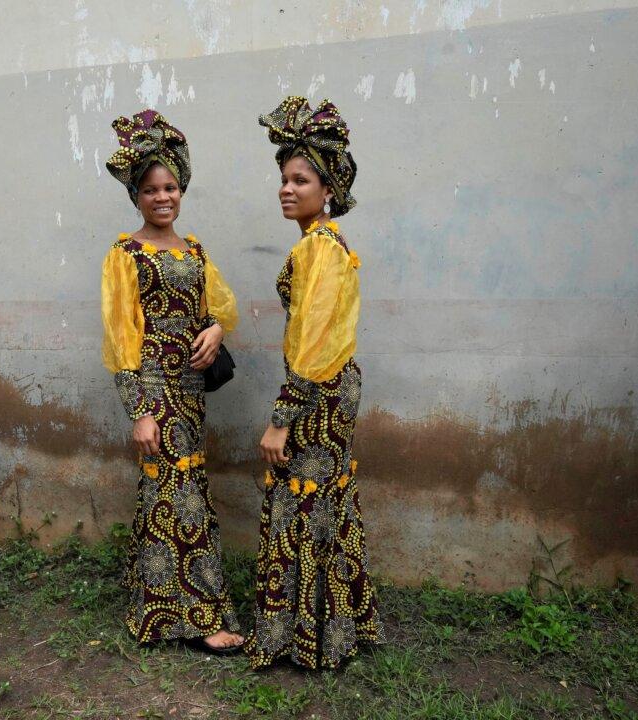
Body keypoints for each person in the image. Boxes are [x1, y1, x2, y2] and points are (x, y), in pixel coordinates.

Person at [246, 96, 385, 669]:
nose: (287, 188)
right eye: (283, 178)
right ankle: (331, 631)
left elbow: (311, 346)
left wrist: (281, 420)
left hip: (317, 393)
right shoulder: (320, 245)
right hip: (329, 388)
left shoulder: (320, 249)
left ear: (327, 189)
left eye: (300, 179)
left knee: (304, 505)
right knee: (322, 505)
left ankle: (305, 637)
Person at [100, 109, 244, 652]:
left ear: (182, 191)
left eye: (172, 187)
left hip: (191, 391)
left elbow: (219, 306)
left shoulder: (196, 251)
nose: (163, 198)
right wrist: (138, 410)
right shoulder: (125, 254)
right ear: (136, 196)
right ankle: (202, 619)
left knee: (172, 492)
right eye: (151, 190)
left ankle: (157, 607)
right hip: (155, 389)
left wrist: (213, 327)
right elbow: (121, 339)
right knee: (177, 493)